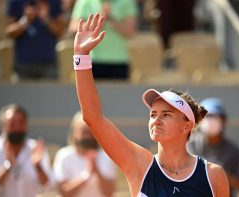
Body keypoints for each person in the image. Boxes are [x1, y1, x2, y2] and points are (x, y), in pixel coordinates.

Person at [71, 13, 229, 196]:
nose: (156, 120)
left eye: (166, 114)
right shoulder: (139, 164)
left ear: (187, 126)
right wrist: (81, 57)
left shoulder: (213, 175)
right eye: (153, 114)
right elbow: (92, 118)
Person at [0, 104, 54, 197]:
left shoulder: (35, 149)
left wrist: (38, 166)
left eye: (21, 123)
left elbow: (47, 187)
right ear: (3, 126)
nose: (17, 128)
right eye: (12, 124)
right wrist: (7, 166)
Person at [188, 98, 239, 197]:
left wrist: (221, 175)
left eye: (214, 116)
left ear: (224, 120)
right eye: (206, 116)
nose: (210, 120)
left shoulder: (234, 151)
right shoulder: (189, 144)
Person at [68, 0, 137, 80]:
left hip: (119, 61)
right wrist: (99, 20)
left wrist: (111, 19)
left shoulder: (127, 2)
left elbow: (130, 31)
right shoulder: (85, 1)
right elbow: (74, 28)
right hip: (90, 61)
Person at [53, 111, 116, 197]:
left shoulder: (106, 156)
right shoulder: (64, 155)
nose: (87, 137)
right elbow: (64, 192)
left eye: (90, 132)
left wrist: (96, 171)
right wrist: (86, 175)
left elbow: (109, 193)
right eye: (84, 132)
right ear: (75, 132)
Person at [6, 0, 66, 80]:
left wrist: (46, 19)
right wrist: (26, 20)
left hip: (48, 64)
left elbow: (60, 31)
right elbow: (9, 32)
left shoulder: (54, 2)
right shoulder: (15, 2)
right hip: (22, 65)